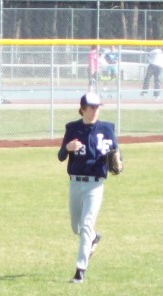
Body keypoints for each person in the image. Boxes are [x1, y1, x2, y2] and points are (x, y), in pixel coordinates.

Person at [58, 92, 119, 284]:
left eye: (97, 107)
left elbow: (116, 153)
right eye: (91, 107)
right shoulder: (72, 128)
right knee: (77, 228)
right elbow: (61, 156)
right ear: (82, 108)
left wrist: (118, 160)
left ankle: (80, 271)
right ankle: (93, 238)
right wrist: (67, 148)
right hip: (75, 183)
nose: (95, 110)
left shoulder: (107, 129)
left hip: (95, 185)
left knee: (85, 225)